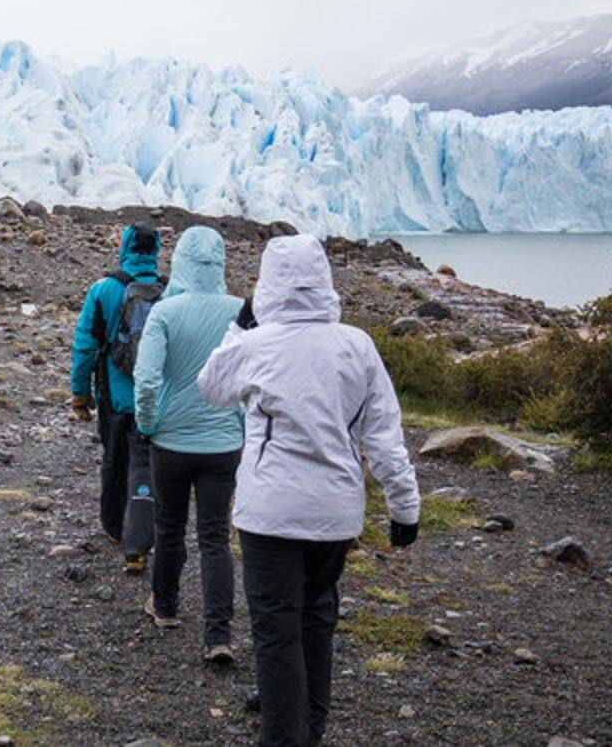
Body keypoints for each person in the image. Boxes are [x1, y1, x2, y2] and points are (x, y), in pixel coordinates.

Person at [198, 234, 420, 747]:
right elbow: (384, 436)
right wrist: (404, 508)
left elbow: (210, 386)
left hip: (270, 515)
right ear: (324, 281)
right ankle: (309, 731)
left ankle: (283, 738)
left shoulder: (256, 344)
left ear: (267, 284)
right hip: (335, 515)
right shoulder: (356, 345)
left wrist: (241, 323)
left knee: (276, 632)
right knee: (317, 620)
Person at [130, 226, 245, 664]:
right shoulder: (239, 313)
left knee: (170, 526)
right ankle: (218, 635)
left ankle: (166, 607)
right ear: (219, 264)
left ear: (178, 262)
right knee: (215, 537)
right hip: (223, 445)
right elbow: (248, 383)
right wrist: (240, 427)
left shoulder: (165, 312)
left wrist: (148, 423)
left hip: (171, 441)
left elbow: (146, 379)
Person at [70, 222, 164, 572]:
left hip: (114, 394)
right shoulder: (168, 291)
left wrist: (80, 394)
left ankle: (113, 528)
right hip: (152, 395)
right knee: (145, 461)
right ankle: (141, 539)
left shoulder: (104, 289)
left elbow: (85, 345)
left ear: (125, 247)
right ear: (155, 249)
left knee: (114, 460)